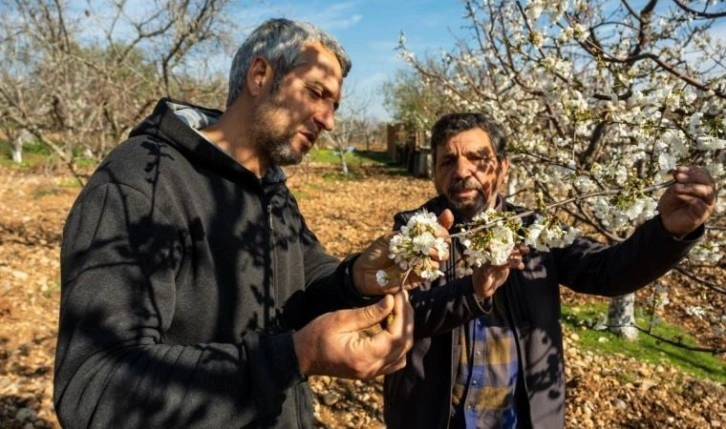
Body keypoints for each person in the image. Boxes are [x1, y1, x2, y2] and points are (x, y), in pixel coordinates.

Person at [54, 18, 442, 428]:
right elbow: (93, 385)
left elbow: (305, 284)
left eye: (335, 105)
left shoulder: (270, 187)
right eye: (316, 93)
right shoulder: (142, 182)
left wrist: (357, 278)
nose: (328, 120)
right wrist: (293, 357)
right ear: (260, 75)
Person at [382, 112, 717, 428]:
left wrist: (668, 234)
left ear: (503, 168)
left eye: (478, 159)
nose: (463, 171)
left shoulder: (535, 229)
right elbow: (400, 313)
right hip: (436, 417)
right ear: (436, 174)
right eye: (448, 161)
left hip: (520, 417)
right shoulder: (416, 231)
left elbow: (606, 270)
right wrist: (474, 290)